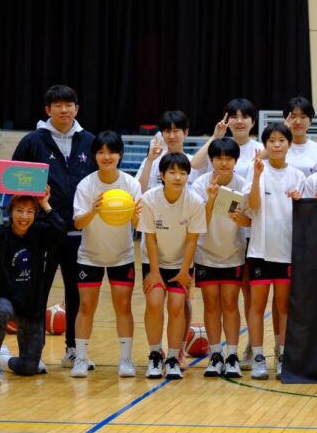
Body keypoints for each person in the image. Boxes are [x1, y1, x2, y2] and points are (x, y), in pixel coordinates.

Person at [11, 84, 96, 368]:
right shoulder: (32, 142)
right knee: (36, 293)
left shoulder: (89, 141)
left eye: (69, 104)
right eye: (57, 105)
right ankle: (33, 353)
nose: (63, 110)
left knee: (76, 293)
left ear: (76, 109)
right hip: (42, 234)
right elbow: (15, 184)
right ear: (47, 110)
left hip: (79, 233)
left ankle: (74, 350)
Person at [0, 180, 64, 384]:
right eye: (19, 211)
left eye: (30, 211)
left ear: (35, 215)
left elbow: (61, 231)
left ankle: (1, 359)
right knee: (2, 312)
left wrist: (45, 204)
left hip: (31, 306)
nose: (24, 216)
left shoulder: (40, 234)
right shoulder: (0, 236)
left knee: (29, 368)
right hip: (3, 298)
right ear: (11, 212)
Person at [70, 131, 142, 378]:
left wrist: (135, 214)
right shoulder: (86, 185)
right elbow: (78, 223)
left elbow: (139, 223)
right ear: (94, 156)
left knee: (123, 306)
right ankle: (81, 358)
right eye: (101, 152)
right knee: (86, 306)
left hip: (122, 255)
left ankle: (126, 360)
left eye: (111, 152)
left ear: (120, 154)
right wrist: (93, 210)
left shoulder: (131, 184)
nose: (106, 156)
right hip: (90, 256)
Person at [138, 153, 207, 380]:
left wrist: (185, 271)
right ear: (162, 175)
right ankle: (155, 355)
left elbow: (192, 240)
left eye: (183, 173)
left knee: (177, 305)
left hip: (181, 263)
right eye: (172, 172)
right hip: (154, 262)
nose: (178, 177)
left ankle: (173, 358)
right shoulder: (149, 199)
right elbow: (149, 238)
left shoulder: (195, 201)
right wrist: (154, 272)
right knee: (154, 302)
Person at [245, 123, 306, 380]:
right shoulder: (256, 170)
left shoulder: (298, 176)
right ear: (265, 145)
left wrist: (299, 199)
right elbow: (252, 207)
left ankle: (282, 356)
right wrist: (256, 177)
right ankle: (258, 357)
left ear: (289, 144)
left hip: (287, 251)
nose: (277, 144)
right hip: (259, 251)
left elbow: (306, 213)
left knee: (283, 306)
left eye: (281, 140)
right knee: (257, 306)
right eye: (271, 140)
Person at [190, 137, 251, 378]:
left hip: (233, 254)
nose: (223, 163)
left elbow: (251, 221)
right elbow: (198, 223)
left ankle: (232, 355)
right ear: (211, 160)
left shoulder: (244, 185)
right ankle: (216, 355)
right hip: (205, 254)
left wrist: (242, 220)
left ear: (236, 161)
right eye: (218, 158)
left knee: (230, 304)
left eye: (228, 158)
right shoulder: (200, 185)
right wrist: (211, 200)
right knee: (211, 304)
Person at [191, 98, 263, 180]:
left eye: (245, 117)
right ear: (227, 121)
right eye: (234, 117)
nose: (239, 121)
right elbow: (195, 165)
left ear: (253, 122)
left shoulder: (261, 149)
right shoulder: (219, 145)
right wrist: (215, 136)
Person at [136, 110, 198, 193]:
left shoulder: (194, 162)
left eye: (175, 131)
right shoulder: (152, 160)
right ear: (162, 134)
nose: (171, 136)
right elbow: (139, 192)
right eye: (167, 131)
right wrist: (149, 161)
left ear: (186, 133)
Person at [284, 96, 317, 176]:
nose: (298, 122)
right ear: (286, 120)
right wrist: (283, 132)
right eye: (293, 117)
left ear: (310, 121)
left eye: (303, 117)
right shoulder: (278, 147)